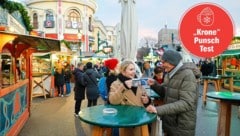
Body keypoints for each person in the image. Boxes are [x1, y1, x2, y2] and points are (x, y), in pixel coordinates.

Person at [146, 50, 200, 136]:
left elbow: (186, 103)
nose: (162, 65)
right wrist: (155, 85)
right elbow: (166, 93)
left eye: (163, 62)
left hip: (181, 125)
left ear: (172, 61)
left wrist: (158, 109)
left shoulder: (188, 75)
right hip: (171, 122)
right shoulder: (170, 73)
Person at [108, 60, 151, 136]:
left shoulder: (137, 82)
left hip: (140, 119)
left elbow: (145, 96)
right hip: (125, 121)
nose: (134, 72)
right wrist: (123, 87)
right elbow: (112, 101)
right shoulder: (116, 84)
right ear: (123, 71)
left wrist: (146, 100)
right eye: (131, 70)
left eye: (134, 69)